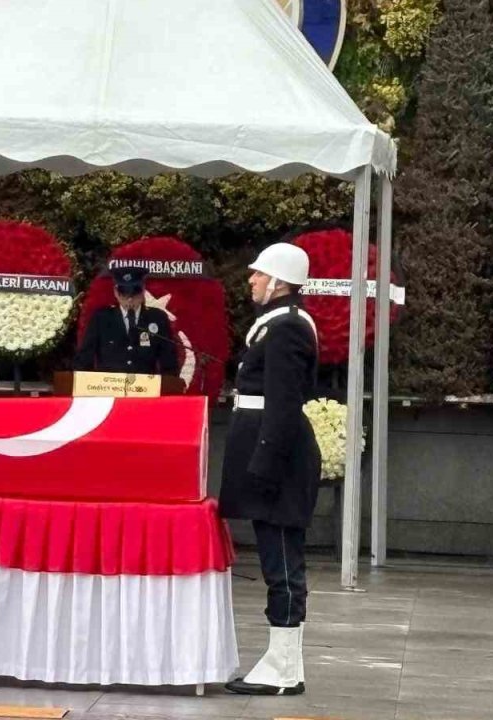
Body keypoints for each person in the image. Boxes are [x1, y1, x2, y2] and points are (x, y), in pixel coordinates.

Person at [219, 243, 319, 696]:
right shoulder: (278, 325)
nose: (252, 280)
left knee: (281, 562)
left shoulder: (287, 329)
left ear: (280, 282)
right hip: (269, 453)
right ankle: (285, 666)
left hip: (277, 459)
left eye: (259, 274)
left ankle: (282, 667)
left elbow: (283, 404)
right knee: (278, 560)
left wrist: (264, 465)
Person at [73, 266, 178, 375]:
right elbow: (84, 360)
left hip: (145, 389)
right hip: (108, 387)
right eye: (124, 294)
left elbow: (169, 363)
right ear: (116, 292)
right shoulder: (101, 318)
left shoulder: (157, 318)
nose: (130, 299)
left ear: (143, 291)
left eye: (134, 294)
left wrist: (167, 386)